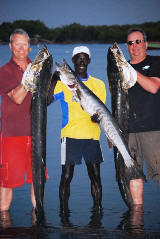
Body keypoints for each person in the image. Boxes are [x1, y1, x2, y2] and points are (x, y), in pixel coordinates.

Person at [52, 46, 106, 212]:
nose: (81, 61)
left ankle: (98, 211)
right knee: (66, 176)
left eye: (85, 58)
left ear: (89, 60)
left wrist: (97, 117)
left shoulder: (99, 84)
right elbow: (46, 100)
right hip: (70, 135)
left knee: (95, 176)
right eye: (78, 58)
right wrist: (54, 79)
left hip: (92, 136)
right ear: (73, 61)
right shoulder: (62, 84)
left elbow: (100, 112)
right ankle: (63, 213)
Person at [0, 29, 37, 211]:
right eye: (17, 44)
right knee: (6, 184)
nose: (21, 48)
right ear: (10, 46)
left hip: (37, 135)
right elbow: (17, 97)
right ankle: (4, 226)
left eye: (25, 44)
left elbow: (47, 97)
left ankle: (39, 225)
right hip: (12, 136)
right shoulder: (4, 71)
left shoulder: (38, 67)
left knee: (37, 182)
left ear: (29, 47)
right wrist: (31, 75)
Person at [126, 28, 160, 205]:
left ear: (146, 44)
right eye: (131, 43)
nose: (135, 46)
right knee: (133, 174)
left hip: (154, 129)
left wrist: (130, 71)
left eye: (138, 41)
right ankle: (137, 218)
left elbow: (153, 87)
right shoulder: (120, 67)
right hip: (129, 130)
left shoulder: (155, 62)